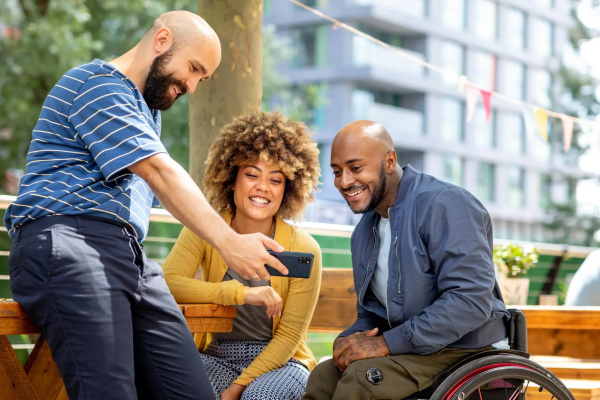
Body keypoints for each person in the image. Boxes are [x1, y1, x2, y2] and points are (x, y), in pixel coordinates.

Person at [4, 11, 289, 400]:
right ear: (162, 40)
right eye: (192, 68)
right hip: (68, 240)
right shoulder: (96, 85)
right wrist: (229, 241)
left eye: (200, 79)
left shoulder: (145, 113)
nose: (191, 85)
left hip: (129, 258)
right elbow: (158, 170)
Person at [303, 120, 510, 400]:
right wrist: (351, 338)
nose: (344, 182)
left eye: (355, 168)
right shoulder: (365, 231)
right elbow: (372, 313)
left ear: (389, 161)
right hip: (412, 348)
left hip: (466, 347)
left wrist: (386, 343)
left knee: (362, 382)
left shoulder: (445, 204)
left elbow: (470, 301)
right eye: (337, 172)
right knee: (324, 377)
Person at [162, 110, 322, 400]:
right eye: (251, 174)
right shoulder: (205, 229)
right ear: (232, 179)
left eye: (276, 180)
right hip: (215, 356)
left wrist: (237, 388)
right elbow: (169, 282)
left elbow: (288, 338)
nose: (263, 187)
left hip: (282, 362)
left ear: (287, 190)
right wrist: (241, 294)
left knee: (258, 398)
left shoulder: (304, 247)